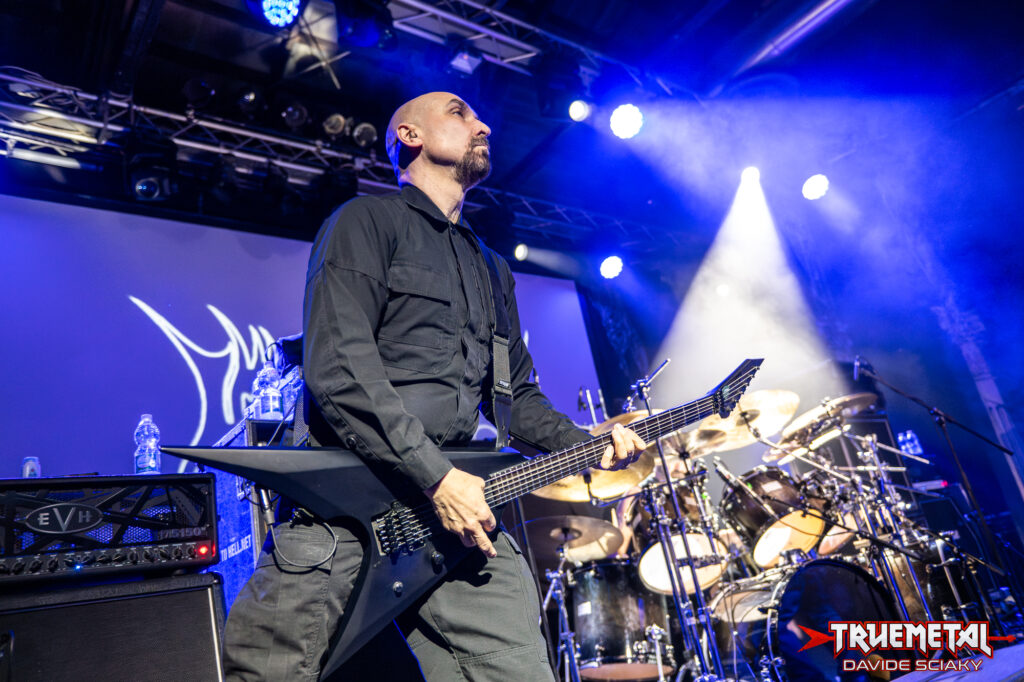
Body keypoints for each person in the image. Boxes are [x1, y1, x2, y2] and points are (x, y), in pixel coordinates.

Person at [222, 91, 646, 682]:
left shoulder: (492, 269)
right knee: (267, 671)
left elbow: (515, 400)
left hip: (455, 515)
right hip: (346, 507)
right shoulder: (364, 222)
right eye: (460, 113)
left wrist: (588, 444)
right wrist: (437, 477)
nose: (484, 124)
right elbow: (340, 369)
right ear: (410, 135)